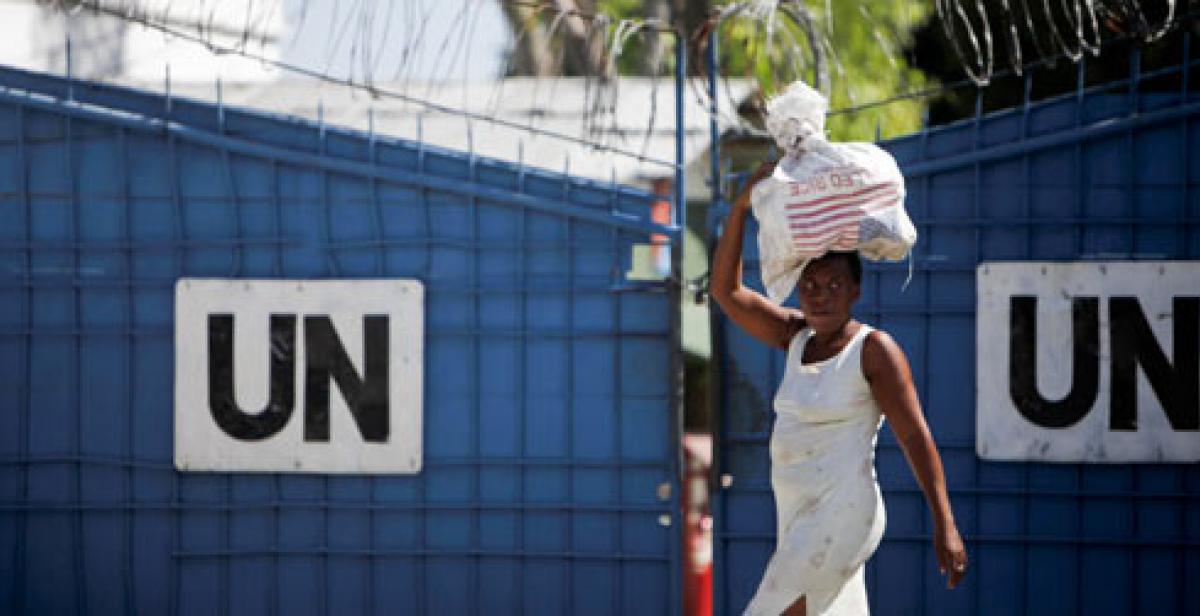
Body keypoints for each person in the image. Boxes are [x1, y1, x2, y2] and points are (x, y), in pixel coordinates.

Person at [710, 160, 967, 616]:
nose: (819, 294)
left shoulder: (873, 351)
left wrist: (944, 521)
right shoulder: (795, 337)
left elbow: (914, 436)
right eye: (809, 284)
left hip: (841, 515)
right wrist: (741, 208)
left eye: (833, 284)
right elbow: (726, 292)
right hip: (797, 517)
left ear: (855, 292)